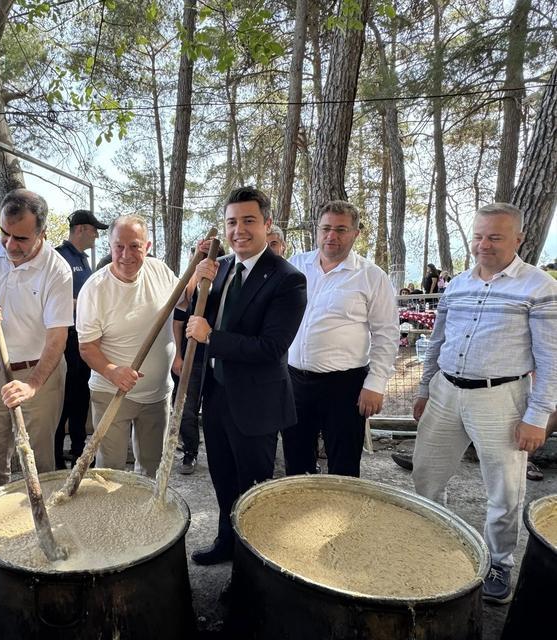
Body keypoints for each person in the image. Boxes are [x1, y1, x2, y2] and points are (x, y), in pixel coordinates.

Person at [411, 202, 557, 605]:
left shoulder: (539, 288)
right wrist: (424, 390)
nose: (483, 245)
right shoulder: (458, 285)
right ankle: (434, 540)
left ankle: (498, 562)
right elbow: (437, 342)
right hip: (445, 391)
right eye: (478, 236)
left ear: (518, 239)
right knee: (427, 475)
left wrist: (537, 416)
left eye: (495, 237)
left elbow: (551, 359)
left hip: (501, 398)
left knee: (504, 488)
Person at [185, 186, 307, 565]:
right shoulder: (220, 268)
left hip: (256, 404)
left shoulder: (287, 279)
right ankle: (226, 542)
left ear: (267, 224)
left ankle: (250, 566)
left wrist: (212, 337)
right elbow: (194, 316)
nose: (239, 230)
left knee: (252, 489)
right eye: (232, 222)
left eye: (249, 221)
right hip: (217, 395)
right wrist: (196, 283)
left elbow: (271, 347)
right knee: (223, 480)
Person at [0, 189, 73, 493]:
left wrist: (32, 385)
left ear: (42, 233)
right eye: (4, 233)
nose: (9, 244)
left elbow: (57, 337)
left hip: (40, 372)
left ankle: (42, 512)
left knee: (39, 459)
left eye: (20, 238)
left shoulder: (57, 270)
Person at [281, 200, 399, 477]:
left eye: (341, 230)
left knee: (343, 464)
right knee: (295, 461)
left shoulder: (372, 277)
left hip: (345, 386)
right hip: (294, 381)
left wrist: (376, 383)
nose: (331, 236)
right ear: (317, 230)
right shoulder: (295, 266)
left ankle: (341, 506)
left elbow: (386, 333)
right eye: (326, 228)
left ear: (355, 233)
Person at [76, 215, 181, 477]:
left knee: (152, 468)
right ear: (110, 247)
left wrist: (199, 273)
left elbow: (185, 298)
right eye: (119, 247)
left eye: (135, 246)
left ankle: (147, 506)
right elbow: (87, 347)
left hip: (157, 394)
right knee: (110, 471)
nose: (126, 255)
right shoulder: (95, 289)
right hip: (111, 392)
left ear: (147, 246)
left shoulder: (159, 271)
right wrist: (112, 371)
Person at [53, 209, 109, 469]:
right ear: (80, 229)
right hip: (65, 338)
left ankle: (78, 451)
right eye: (94, 230)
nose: (96, 235)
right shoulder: (59, 257)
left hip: (84, 339)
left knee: (80, 398)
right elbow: (52, 298)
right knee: (63, 400)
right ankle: (54, 455)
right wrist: (83, 303)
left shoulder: (84, 261)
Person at [171, 244, 226, 475]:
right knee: (186, 408)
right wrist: (178, 355)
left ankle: (220, 453)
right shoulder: (189, 285)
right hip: (191, 358)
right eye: (197, 259)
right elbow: (178, 320)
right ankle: (190, 451)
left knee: (217, 410)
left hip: (216, 357)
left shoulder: (225, 284)